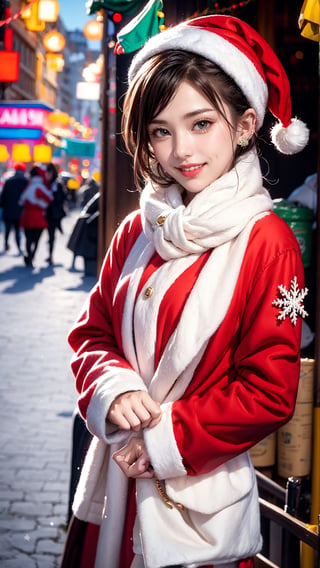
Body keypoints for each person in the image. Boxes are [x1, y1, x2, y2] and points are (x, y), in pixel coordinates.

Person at [61, 15, 309, 568]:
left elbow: (269, 389)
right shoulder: (137, 228)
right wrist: (114, 388)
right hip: (113, 491)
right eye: (161, 130)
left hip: (195, 500)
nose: (180, 150)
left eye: (200, 123)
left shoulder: (267, 241)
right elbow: (91, 331)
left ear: (245, 125)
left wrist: (165, 441)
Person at [19, 165, 53, 267]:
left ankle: (29, 256)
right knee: (36, 239)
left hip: (27, 216)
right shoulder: (41, 187)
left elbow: (21, 201)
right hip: (38, 216)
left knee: (28, 238)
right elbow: (48, 200)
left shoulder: (28, 187)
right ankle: (31, 256)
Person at [0, 162, 28, 253]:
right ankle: (19, 246)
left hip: (8, 210)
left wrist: (2, 206)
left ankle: (6, 244)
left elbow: (3, 197)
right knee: (18, 230)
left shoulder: (8, 181)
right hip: (20, 211)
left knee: (7, 230)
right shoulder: (26, 181)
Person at [45, 162, 67, 265]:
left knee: (51, 236)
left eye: (48, 172)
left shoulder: (57, 184)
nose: (47, 175)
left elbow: (62, 198)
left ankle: (50, 255)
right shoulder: (44, 183)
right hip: (44, 213)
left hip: (53, 214)